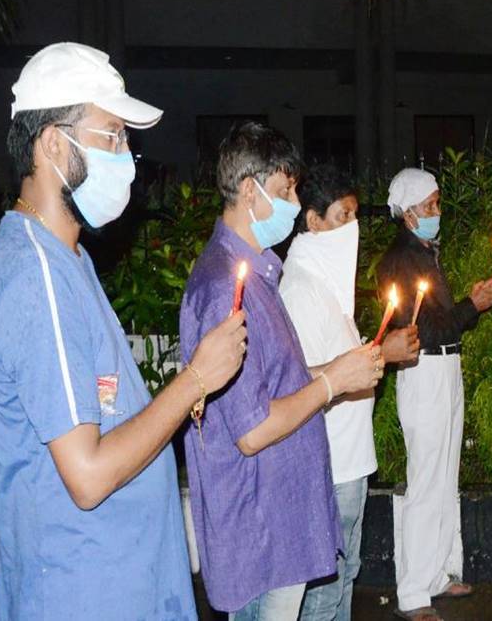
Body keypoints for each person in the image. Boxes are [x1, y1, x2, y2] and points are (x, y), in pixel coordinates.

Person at [0, 42, 247, 620]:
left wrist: (182, 394)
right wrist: (195, 380)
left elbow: (104, 407)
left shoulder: (65, 259)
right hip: (85, 593)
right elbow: (89, 476)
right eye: (112, 137)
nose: (127, 160)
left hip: (120, 584)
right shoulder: (36, 277)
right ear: (53, 143)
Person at [179, 122, 386, 620]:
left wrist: (341, 368)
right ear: (250, 191)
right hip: (260, 529)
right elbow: (251, 430)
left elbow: (275, 381)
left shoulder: (259, 275)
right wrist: (333, 382)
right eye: (285, 190)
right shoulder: (225, 289)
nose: (295, 202)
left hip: (282, 518)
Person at [280, 164, 420, 621]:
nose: (353, 227)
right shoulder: (302, 290)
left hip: (349, 464)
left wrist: (379, 354)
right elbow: (299, 383)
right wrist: (382, 353)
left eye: (356, 215)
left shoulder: (326, 283)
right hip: (329, 467)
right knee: (324, 597)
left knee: (343, 582)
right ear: (313, 220)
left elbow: (343, 363)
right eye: (343, 215)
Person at [376, 168, 492, 621]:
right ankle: (413, 592)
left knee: (445, 476)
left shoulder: (425, 253)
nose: (438, 211)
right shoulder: (401, 260)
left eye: (437, 203)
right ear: (409, 213)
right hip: (424, 371)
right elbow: (425, 331)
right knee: (427, 480)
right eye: (430, 205)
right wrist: (473, 306)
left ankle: (435, 575)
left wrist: (470, 303)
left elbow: (441, 321)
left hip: (444, 368)